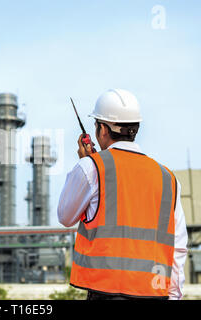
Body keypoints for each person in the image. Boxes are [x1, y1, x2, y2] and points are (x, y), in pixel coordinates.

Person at [57, 89, 188, 300]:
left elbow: (65, 216)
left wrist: (85, 163)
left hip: (106, 293)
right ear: (136, 128)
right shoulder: (168, 177)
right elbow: (178, 246)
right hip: (156, 293)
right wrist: (173, 296)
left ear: (102, 129)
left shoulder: (91, 168)